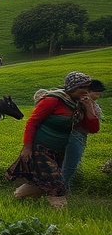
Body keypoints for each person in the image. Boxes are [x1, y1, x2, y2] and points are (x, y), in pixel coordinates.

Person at [7, 72, 99, 208]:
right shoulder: (53, 100)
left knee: (43, 183)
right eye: (83, 87)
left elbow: (93, 129)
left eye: (88, 87)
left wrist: (89, 108)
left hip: (58, 150)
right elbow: (32, 122)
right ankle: (61, 215)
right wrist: (27, 147)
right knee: (57, 183)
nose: (86, 90)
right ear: (73, 87)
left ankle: (17, 197)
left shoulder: (79, 104)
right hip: (40, 148)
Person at [61, 79, 104, 188]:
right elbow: (93, 126)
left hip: (79, 135)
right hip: (75, 135)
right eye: (97, 93)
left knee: (68, 164)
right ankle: (60, 191)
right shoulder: (80, 103)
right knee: (69, 166)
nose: (98, 96)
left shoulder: (91, 104)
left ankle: (61, 189)